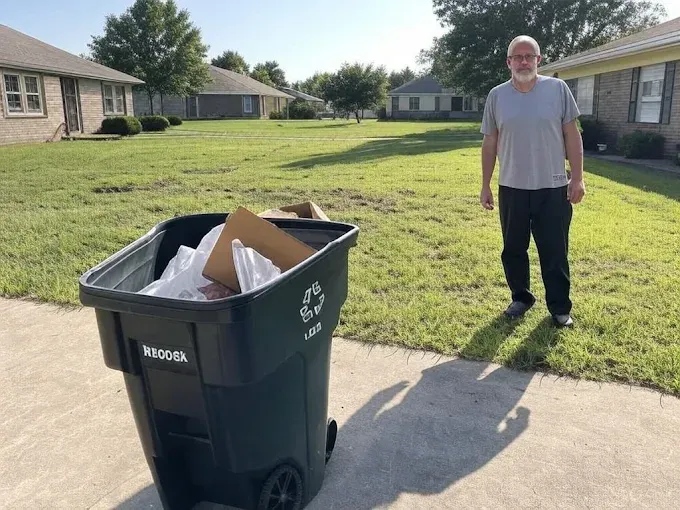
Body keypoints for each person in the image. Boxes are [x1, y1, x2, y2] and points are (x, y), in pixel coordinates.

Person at [479, 35, 585, 328]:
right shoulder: (497, 96)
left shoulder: (558, 89)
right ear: (508, 62)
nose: (524, 61)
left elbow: (572, 135)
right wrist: (486, 184)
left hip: (552, 188)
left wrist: (577, 178)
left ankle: (560, 308)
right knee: (513, 248)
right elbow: (490, 142)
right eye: (518, 56)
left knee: (554, 250)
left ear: (539, 60)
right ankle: (521, 298)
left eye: (530, 56)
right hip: (511, 187)